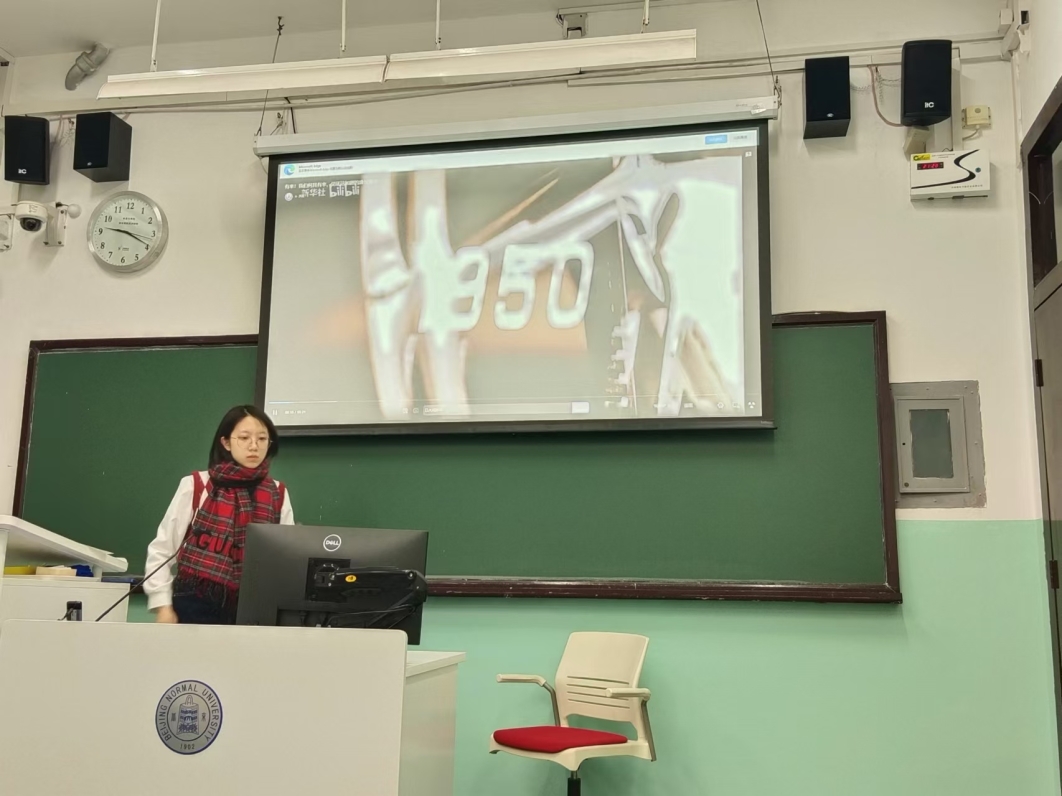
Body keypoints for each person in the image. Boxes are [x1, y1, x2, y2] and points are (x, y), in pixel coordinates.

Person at [144, 405, 295, 624]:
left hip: (254, 608)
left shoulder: (277, 492)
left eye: (262, 439)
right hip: (194, 603)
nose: (254, 446)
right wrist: (162, 606)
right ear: (225, 442)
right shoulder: (196, 485)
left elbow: (285, 557)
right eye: (244, 438)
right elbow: (162, 549)